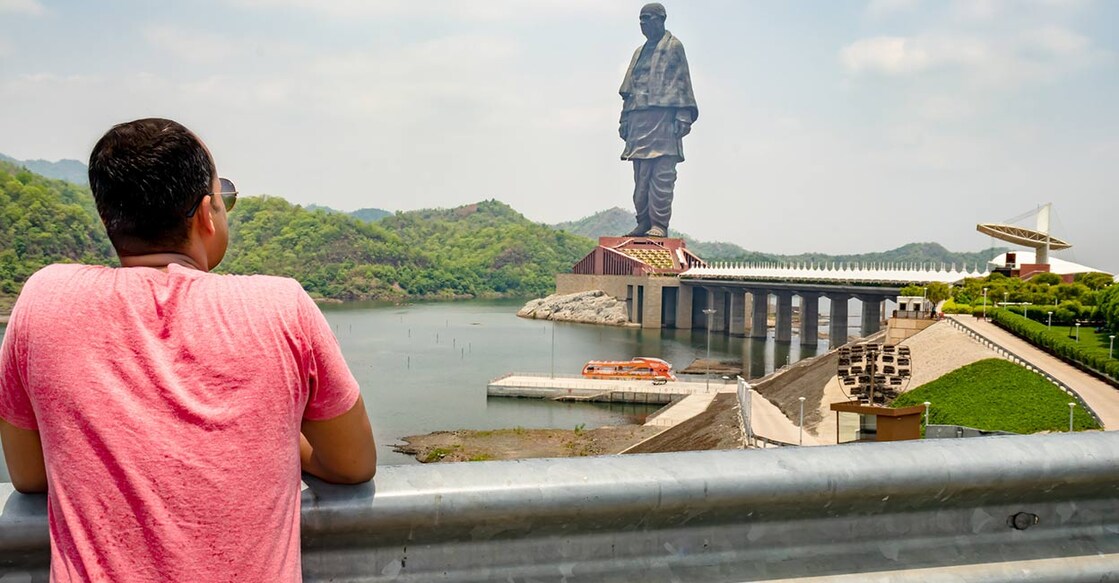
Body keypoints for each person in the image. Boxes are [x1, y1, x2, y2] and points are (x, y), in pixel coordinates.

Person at [0, 118, 376, 581]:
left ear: (107, 218)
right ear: (205, 214)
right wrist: (271, 435)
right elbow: (353, 463)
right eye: (225, 198)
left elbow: (31, 475)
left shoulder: (46, 301)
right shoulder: (281, 306)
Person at [618, 2, 698, 238]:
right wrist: (624, 119)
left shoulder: (674, 47)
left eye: (648, 18)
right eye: (640, 20)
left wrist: (683, 115)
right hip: (638, 119)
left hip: (663, 119)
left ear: (661, 19)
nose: (643, 24)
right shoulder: (639, 52)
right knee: (640, 178)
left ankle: (659, 225)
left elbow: (682, 82)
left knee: (662, 175)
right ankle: (643, 221)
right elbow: (628, 90)